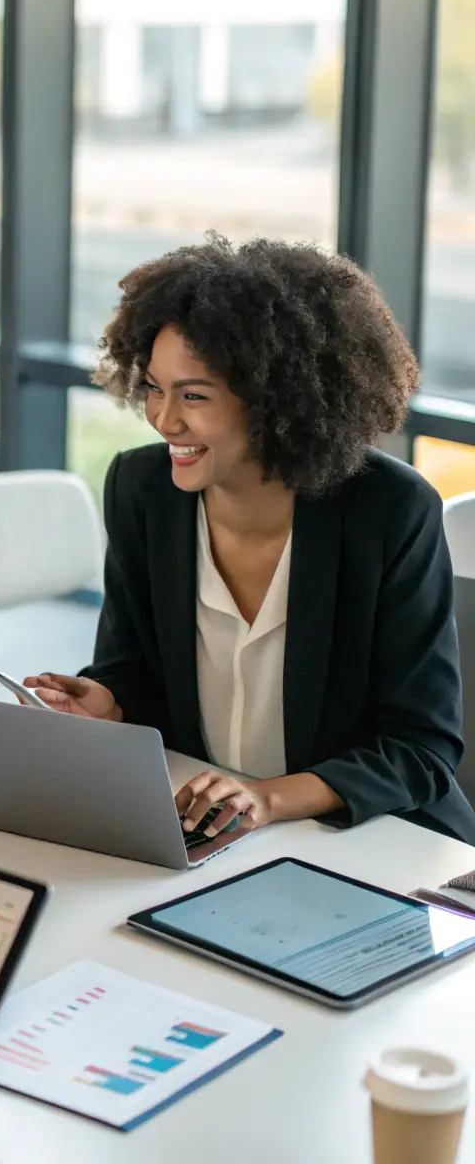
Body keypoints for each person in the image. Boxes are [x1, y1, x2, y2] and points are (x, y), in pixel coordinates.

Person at [26, 236, 475, 845]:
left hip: (373, 839)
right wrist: (110, 703)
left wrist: (267, 798)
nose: (164, 419)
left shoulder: (389, 511)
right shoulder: (143, 488)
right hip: (208, 826)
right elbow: (134, 668)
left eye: (195, 396)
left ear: (274, 402)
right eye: (155, 388)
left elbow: (421, 748)